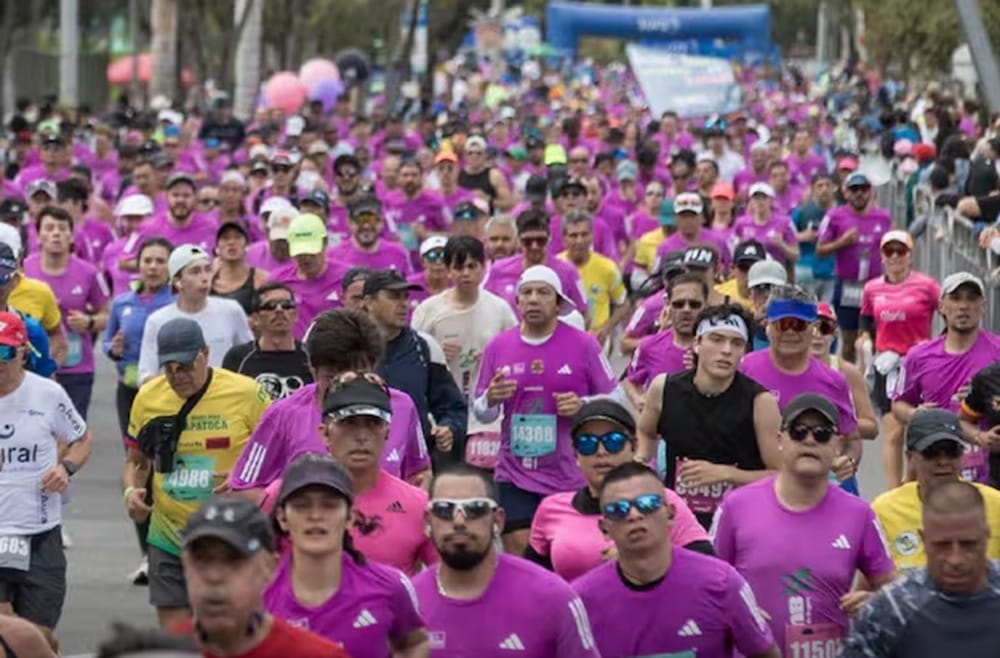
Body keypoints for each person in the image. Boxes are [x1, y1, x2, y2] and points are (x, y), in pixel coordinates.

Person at [711, 393, 897, 656]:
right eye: (798, 432)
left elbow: (892, 587)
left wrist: (876, 603)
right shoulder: (735, 506)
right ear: (780, 440)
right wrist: (735, 613)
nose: (809, 440)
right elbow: (707, 585)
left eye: (821, 434)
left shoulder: (859, 513)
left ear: (837, 445)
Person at [123, 318, 270, 629]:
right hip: (170, 535)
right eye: (170, 368)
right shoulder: (148, 398)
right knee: (177, 637)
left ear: (205, 352)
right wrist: (131, 491)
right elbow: (136, 461)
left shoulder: (246, 393)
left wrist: (246, 479)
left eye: (186, 366)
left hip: (232, 535)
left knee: (228, 630)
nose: (179, 377)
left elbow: (275, 454)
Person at [474, 265, 621, 555]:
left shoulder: (584, 345)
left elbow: (617, 399)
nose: (533, 299)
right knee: (521, 550)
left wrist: (583, 406)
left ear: (558, 304)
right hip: (515, 472)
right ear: (517, 303)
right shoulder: (498, 346)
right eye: (526, 293)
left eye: (543, 293)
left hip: (569, 472)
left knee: (566, 552)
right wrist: (490, 398)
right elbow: (482, 412)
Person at [572, 462, 779, 658]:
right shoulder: (581, 600)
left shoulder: (722, 583)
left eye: (648, 504)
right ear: (604, 528)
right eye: (618, 509)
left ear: (670, 514)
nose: (634, 515)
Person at [229, 308, 430, 495]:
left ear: (373, 365)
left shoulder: (403, 407)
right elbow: (242, 490)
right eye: (332, 377)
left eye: (356, 374)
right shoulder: (283, 414)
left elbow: (420, 474)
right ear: (312, 370)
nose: (343, 385)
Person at [412, 464, 602, 658]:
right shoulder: (407, 602)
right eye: (444, 509)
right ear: (428, 521)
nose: (459, 521)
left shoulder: (552, 597)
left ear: (498, 521)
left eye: (475, 508)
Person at [264, 454, 429, 657]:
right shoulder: (257, 595)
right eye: (302, 505)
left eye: (329, 505)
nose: (315, 516)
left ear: (351, 517)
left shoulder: (390, 585)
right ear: (282, 518)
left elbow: (414, 643)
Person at [528, 399, 711, 581]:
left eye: (613, 441)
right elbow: (532, 582)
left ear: (633, 446)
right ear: (576, 455)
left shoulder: (659, 501)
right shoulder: (552, 507)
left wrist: (644, 557)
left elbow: (707, 567)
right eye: (587, 443)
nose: (601, 452)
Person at [638, 304, 782, 528]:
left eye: (737, 343)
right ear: (696, 344)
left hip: (737, 521)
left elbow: (779, 475)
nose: (726, 350)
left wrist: (727, 474)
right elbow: (646, 431)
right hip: (677, 521)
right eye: (716, 339)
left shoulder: (760, 402)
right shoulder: (665, 388)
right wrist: (642, 461)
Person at [0, 311, 90, 649]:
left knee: (39, 639)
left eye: (5, 352)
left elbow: (81, 438)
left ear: (23, 351)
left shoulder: (48, 394)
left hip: (40, 532)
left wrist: (65, 468)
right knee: (8, 634)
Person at [175, 497, 350, 657]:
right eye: (202, 560)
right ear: (184, 565)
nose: (214, 576)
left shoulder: (317, 655)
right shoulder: (161, 651)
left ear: (269, 567)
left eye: (234, 560)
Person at [842, 482, 1000, 658]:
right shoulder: (893, 610)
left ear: (986, 536)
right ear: (924, 539)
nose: (956, 559)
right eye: (942, 545)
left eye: (968, 544)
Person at [103, 237, 176, 583]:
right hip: (130, 393)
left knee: (171, 467)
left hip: (170, 395)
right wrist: (114, 348)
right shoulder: (123, 303)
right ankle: (148, 553)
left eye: (160, 261)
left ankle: (173, 548)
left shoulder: (175, 305)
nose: (153, 266)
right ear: (139, 264)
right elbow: (107, 342)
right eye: (148, 260)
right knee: (138, 467)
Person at [412, 236, 518, 471]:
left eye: (472, 266)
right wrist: (437, 351)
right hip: (443, 415)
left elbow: (517, 353)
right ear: (449, 269)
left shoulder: (499, 309)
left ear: (483, 267)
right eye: (459, 267)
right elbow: (414, 357)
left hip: (487, 418)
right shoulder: (428, 311)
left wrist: (495, 359)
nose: (465, 274)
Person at [892, 272, 1000, 484]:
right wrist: (915, 414)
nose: (963, 306)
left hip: (986, 470)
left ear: (983, 307)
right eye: (956, 298)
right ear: (941, 306)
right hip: (935, 461)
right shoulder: (918, 356)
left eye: (971, 299)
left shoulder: (997, 351)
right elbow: (898, 405)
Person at [857, 230, 941, 488]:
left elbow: (948, 310)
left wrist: (942, 347)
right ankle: (894, 491)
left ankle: (913, 482)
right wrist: (864, 341)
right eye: (889, 251)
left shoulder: (927, 286)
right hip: (888, 364)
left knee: (917, 431)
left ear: (910, 255)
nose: (894, 257)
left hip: (919, 365)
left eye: (900, 251)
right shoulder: (872, 288)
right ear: (881, 256)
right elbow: (866, 320)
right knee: (893, 432)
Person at [872, 408, 1000, 571]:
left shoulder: (995, 504)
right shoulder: (884, 510)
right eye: (931, 453)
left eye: (952, 452)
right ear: (910, 458)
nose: (943, 461)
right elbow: (871, 579)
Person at [364, 269, 467, 468]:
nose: (404, 304)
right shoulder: (347, 347)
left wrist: (449, 428)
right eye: (394, 297)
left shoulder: (425, 347)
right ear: (369, 302)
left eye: (406, 297)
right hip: (362, 461)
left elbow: (452, 407)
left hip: (414, 465)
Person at [740, 286, 863, 443]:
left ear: (813, 329)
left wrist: (847, 462)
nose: (790, 332)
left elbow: (852, 439)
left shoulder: (834, 381)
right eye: (782, 324)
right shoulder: (745, 369)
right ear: (767, 326)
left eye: (799, 325)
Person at [23, 204, 110, 419]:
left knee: (72, 432)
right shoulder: (24, 269)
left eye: (62, 229)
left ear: (71, 236)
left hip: (77, 368)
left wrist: (89, 322)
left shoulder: (89, 273)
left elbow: (107, 315)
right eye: (50, 228)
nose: (56, 234)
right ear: (38, 236)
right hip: (32, 367)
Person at [137, 244, 253, 384]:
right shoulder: (157, 320)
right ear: (178, 281)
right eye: (195, 272)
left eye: (207, 270)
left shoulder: (232, 310)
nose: (204, 277)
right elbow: (145, 375)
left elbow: (250, 358)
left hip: (224, 399)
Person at [816, 171, 892, 363]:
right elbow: (820, 249)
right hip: (847, 286)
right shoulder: (835, 216)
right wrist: (842, 242)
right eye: (854, 189)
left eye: (863, 189)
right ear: (846, 192)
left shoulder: (883, 217)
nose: (859, 193)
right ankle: (849, 383)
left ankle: (873, 381)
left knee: (877, 337)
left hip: (876, 286)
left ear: (871, 192)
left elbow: (892, 246)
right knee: (849, 339)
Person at [810, 302, 877, 493]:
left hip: (837, 469)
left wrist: (835, 421)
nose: (817, 335)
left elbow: (871, 427)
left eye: (825, 328)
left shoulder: (847, 372)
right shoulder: (788, 369)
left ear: (834, 333)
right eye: (812, 327)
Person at [482, 209, 589, 323]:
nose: (534, 246)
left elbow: (584, 315)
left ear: (549, 239)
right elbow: (486, 308)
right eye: (528, 241)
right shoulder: (499, 270)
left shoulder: (568, 271)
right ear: (518, 241)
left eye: (540, 240)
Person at [624, 272, 706, 406]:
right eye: (679, 304)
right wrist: (638, 399)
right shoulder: (648, 346)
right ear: (668, 306)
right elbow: (631, 381)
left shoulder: (718, 346)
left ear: (706, 305)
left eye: (694, 304)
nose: (686, 310)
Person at [222, 282, 312, 401]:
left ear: (295, 315)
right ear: (255, 319)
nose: (279, 310)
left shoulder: (312, 355)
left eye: (286, 305)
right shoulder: (238, 357)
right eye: (270, 306)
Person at [269, 212, 347, 338]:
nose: (306, 259)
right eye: (300, 253)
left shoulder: (345, 278)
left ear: (325, 243)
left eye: (311, 252)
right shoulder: (278, 280)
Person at [557, 209, 628, 344]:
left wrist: (606, 328)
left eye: (584, 234)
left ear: (592, 236)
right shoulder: (554, 268)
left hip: (597, 342)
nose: (580, 240)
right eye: (573, 235)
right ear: (564, 239)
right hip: (564, 340)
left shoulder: (608, 268)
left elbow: (623, 304)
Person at [327, 195, 411, 275]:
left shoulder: (398, 253)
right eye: (360, 220)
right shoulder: (334, 257)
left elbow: (409, 287)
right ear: (350, 222)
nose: (366, 226)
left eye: (371, 220)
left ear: (381, 222)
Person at [136, 172, 218, 252]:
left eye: (186, 195)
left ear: (195, 197)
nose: (180, 200)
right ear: (166, 196)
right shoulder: (149, 229)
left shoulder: (211, 227)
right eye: (175, 195)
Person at [793, 173, 837, 303]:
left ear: (834, 188)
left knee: (828, 315)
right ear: (813, 189)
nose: (824, 189)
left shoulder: (841, 213)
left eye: (828, 185)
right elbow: (786, 237)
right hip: (806, 272)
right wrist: (801, 236)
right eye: (820, 186)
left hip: (832, 273)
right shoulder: (801, 212)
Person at [210, 221, 269, 316]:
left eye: (237, 237)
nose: (231, 242)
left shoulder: (261, 278)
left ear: (246, 246)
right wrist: (211, 275)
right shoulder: (208, 281)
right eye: (225, 238)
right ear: (217, 248)